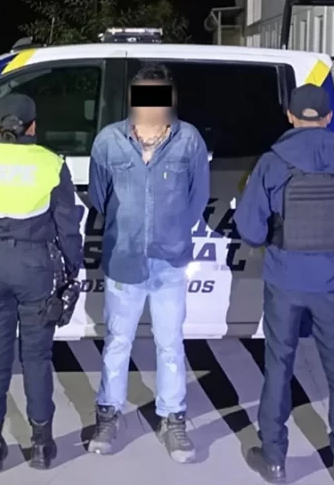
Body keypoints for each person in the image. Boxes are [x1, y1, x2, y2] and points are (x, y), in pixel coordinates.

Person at [234, 84, 334, 484]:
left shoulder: (272, 163)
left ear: (290, 116)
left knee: (278, 365)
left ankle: (274, 459)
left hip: (284, 280)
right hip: (332, 283)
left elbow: (250, 229)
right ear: (327, 118)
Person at [0, 93, 84, 473]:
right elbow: (67, 227)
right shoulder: (51, 163)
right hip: (34, 265)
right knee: (37, 358)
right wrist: (71, 269)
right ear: (33, 126)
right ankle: (41, 447)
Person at [86, 63, 210, 462]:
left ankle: (172, 419)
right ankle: (108, 414)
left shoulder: (189, 140)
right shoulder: (109, 141)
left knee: (170, 343)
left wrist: (170, 232)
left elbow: (197, 200)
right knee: (117, 341)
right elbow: (100, 198)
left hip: (170, 262)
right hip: (123, 259)